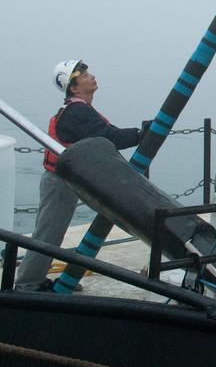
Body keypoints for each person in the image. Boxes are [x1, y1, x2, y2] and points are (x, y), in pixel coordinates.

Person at [16, 60, 142, 291]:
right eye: (85, 74)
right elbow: (109, 137)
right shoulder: (77, 112)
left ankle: (35, 279)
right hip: (61, 182)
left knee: (51, 232)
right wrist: (142, 133)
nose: (91, 76)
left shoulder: (79, 109)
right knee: (48, 233)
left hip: (68, 180)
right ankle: (28, 284)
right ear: (74, 87)